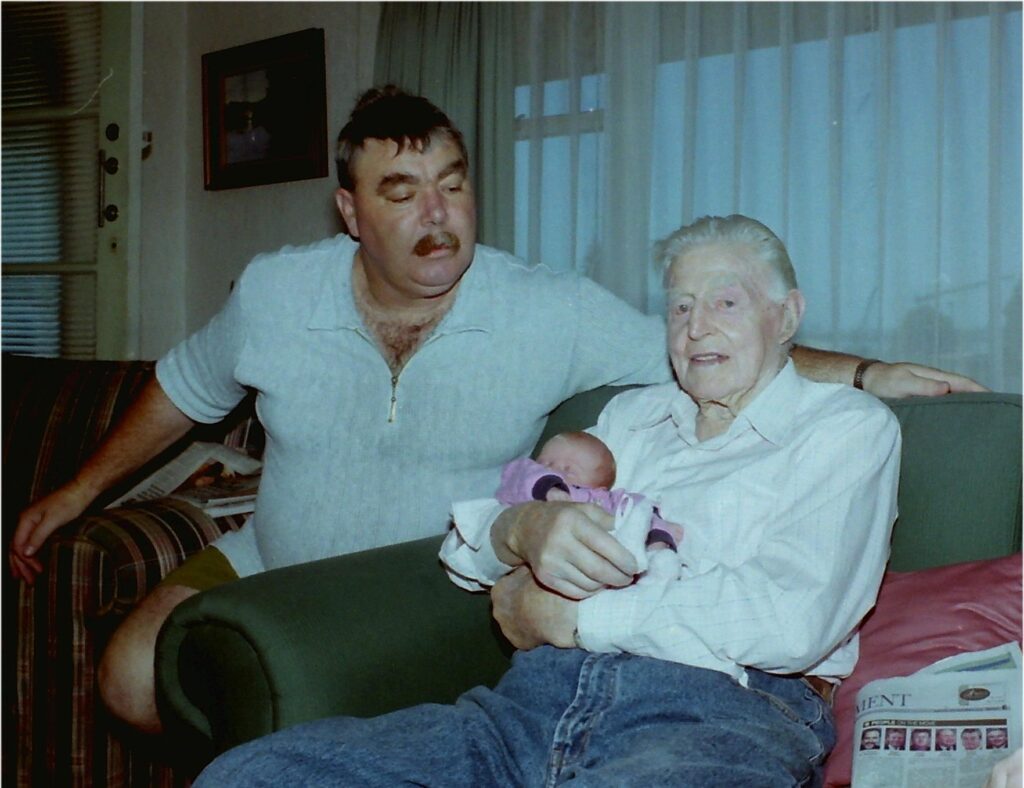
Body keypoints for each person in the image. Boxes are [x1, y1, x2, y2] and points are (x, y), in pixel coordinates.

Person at [8, 85, 983, 736]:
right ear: (349, 211)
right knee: (129, 676)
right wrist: (79, 487)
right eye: (402, 192)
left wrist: (864, 371)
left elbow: (702, 345)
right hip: (266, 546)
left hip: (427, 572)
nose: (438, 217)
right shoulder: (275, 293)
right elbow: (186, 386)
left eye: (454, 184)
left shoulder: (543, 307)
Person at [193, 214, 903, 786]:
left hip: (720, 715)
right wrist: (520, 530)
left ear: (786, 316)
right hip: (529, 708)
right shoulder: (632, 420)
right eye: (680, 306)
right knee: (256, 772)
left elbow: (792, 620)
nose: (695, 327)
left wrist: (574, 614)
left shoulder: (845, 429)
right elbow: (468, 550)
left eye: (725, 301)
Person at [497, 431, 685, 578]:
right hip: (540, 557)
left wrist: (661, 533)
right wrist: (547, 487)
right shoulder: (527, 484)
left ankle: (656, 564)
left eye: (568, 470)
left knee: (638, 514)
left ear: (599, 485)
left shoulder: (606, 500)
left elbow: (639, 508)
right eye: (544, 462)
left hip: (604, 562)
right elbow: (517, 474)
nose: (551, 469)